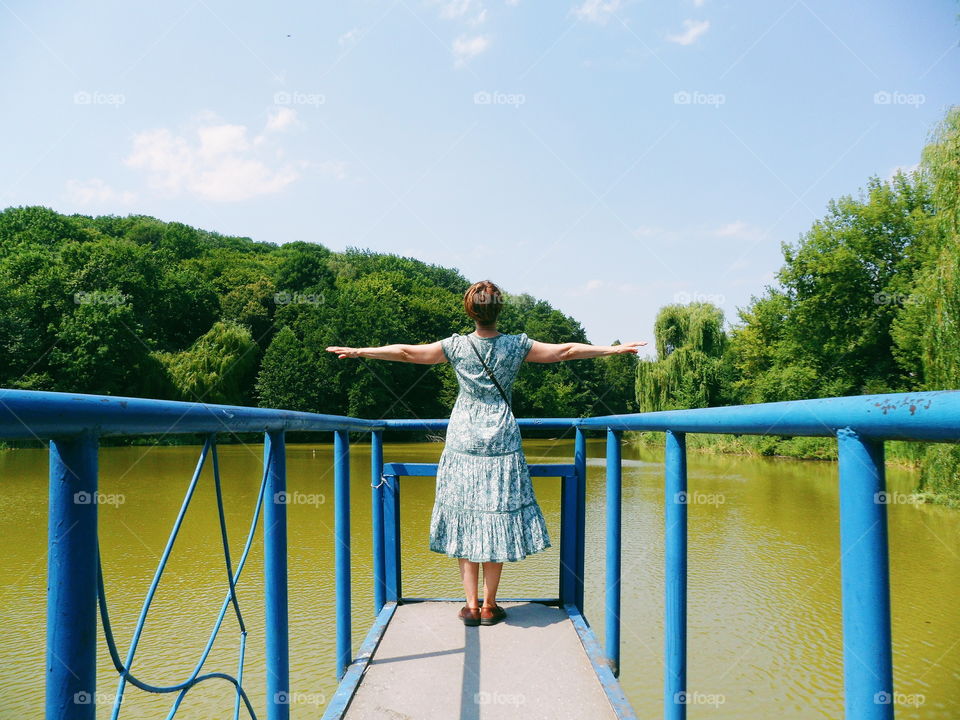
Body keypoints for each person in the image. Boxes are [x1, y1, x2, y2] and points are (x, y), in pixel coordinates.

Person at [326, 280, 646, 626]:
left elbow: (406, 353)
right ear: (499, 311)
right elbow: (565, 351)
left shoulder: (456, 346)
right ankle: (491, 605)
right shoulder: (515, 346)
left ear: (470, 311)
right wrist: (611, 350)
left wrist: (361, 351)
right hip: (502, 439)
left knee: (467, 516)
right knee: (495, 516)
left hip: (464, 438)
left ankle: (471, 606)